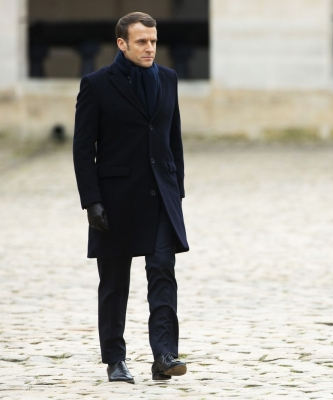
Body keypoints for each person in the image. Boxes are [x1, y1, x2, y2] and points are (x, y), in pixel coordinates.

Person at [73, 12, 189, 384]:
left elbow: (174, 141)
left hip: (160, 197)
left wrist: (177, 191)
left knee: (162, 271)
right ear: (122, 44)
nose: (150, 48)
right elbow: (82, 148)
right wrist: (91, 200)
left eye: (153, 41)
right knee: (114, 282)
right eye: (141, 41)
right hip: (115, 198)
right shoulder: (96, 84)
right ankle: (115, 360)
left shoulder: (168, 79)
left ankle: (164, 355)